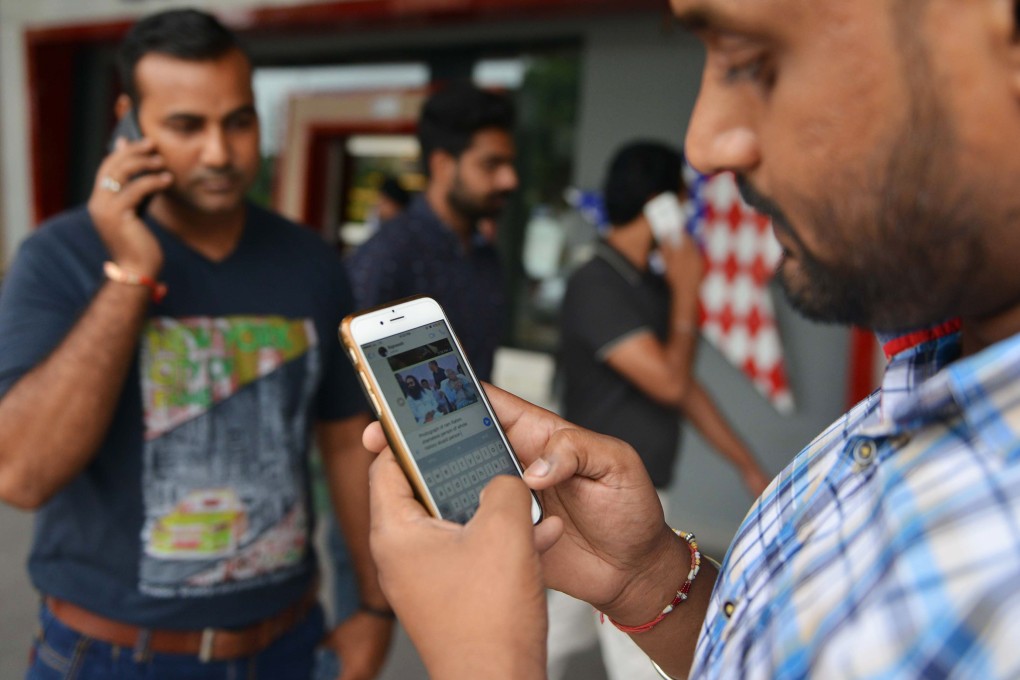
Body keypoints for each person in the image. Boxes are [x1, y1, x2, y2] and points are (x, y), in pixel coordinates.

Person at [363, 0, 1020, 678]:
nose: (706, 142)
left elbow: (685, 388)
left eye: (750, 61)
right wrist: (649, 578)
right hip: (575, 500)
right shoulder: (917, 382)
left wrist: (483, 662)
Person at [0, 9, 391, 679]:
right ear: (130, 122)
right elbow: (22, 475)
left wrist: (375, 610)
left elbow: (344, 441)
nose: (219, 152)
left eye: (238, 121)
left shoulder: (309, 262)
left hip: (287, 643)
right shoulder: (60, 256)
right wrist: (128, 274)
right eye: (186, 126)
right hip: (114, 655)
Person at [549, 140, 769, 680]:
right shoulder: (595, 281)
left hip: (639, 485)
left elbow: (686, 389)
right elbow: (670, 381)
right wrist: (688, 293)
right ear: (659, 203)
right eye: (681, 199)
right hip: (602, 492)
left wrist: (746, 463)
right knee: (645, 642)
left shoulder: (649, 283)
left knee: (558, 631)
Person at [346, 81, 518, 383]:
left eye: (509, 164)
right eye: (492, 164)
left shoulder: (485, 255)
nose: (509, 180)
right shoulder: (387, 256)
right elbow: (351, 385)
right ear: (442, 166)